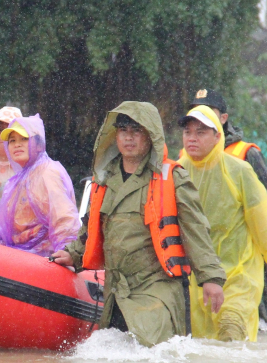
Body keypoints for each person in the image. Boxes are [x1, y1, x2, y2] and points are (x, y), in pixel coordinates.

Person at [51, 102, 226, 347]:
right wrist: (73, 254)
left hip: (157, 287)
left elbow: (195, 232)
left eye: (136, 130)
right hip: (115, 290)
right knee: (110, 362)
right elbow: (90, 228)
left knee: (153, 358)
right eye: (123, 130)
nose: (129, 137)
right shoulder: (104, 179)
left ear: (150, 135)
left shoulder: (172, 178)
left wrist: (211, 278)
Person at [178, 105, 267, 342]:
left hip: (239, 275)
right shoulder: (177, 173)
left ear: (217, 136)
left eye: (201, 132)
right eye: (188, 132)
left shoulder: (239, 171)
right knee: (203, 345)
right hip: (196, 278)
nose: (192, 138)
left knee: (232, 330)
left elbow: (264, 221)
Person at [0, 114, 81, 256]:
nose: (17, 144)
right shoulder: (22, 178)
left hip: (45, 261)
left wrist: (68, 252)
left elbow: (64, 218)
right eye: (12, 140)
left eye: (24, 138)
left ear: (39, 144)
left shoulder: (47, 173)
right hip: (25, 256)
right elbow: (22, 229)